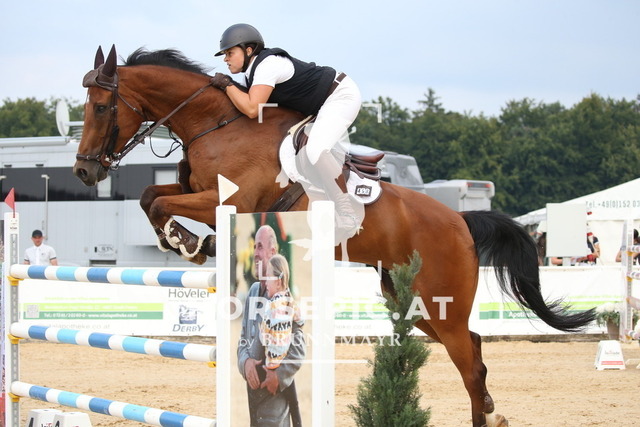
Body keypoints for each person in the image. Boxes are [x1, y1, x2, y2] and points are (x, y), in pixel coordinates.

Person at [211, 23, 364, 244]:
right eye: (225, 55)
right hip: (315, 105)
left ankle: (346, 211)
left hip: (339, 96)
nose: (226, 59)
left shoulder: (268, 65)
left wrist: (227, 85)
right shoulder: (250, 75)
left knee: (315, 150)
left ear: (248, 50)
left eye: (229, 53)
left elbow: (252, 109)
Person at [238, 225, 305, 426]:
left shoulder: (284, 299)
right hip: (253, 396)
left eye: (260, 247)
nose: (255, 253)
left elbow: (299, 349)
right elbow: (243, 338)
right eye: (254, 247)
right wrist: (245, 363)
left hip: (275, 398)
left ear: (272, 251)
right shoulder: (253, 291)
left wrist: (278, 376)